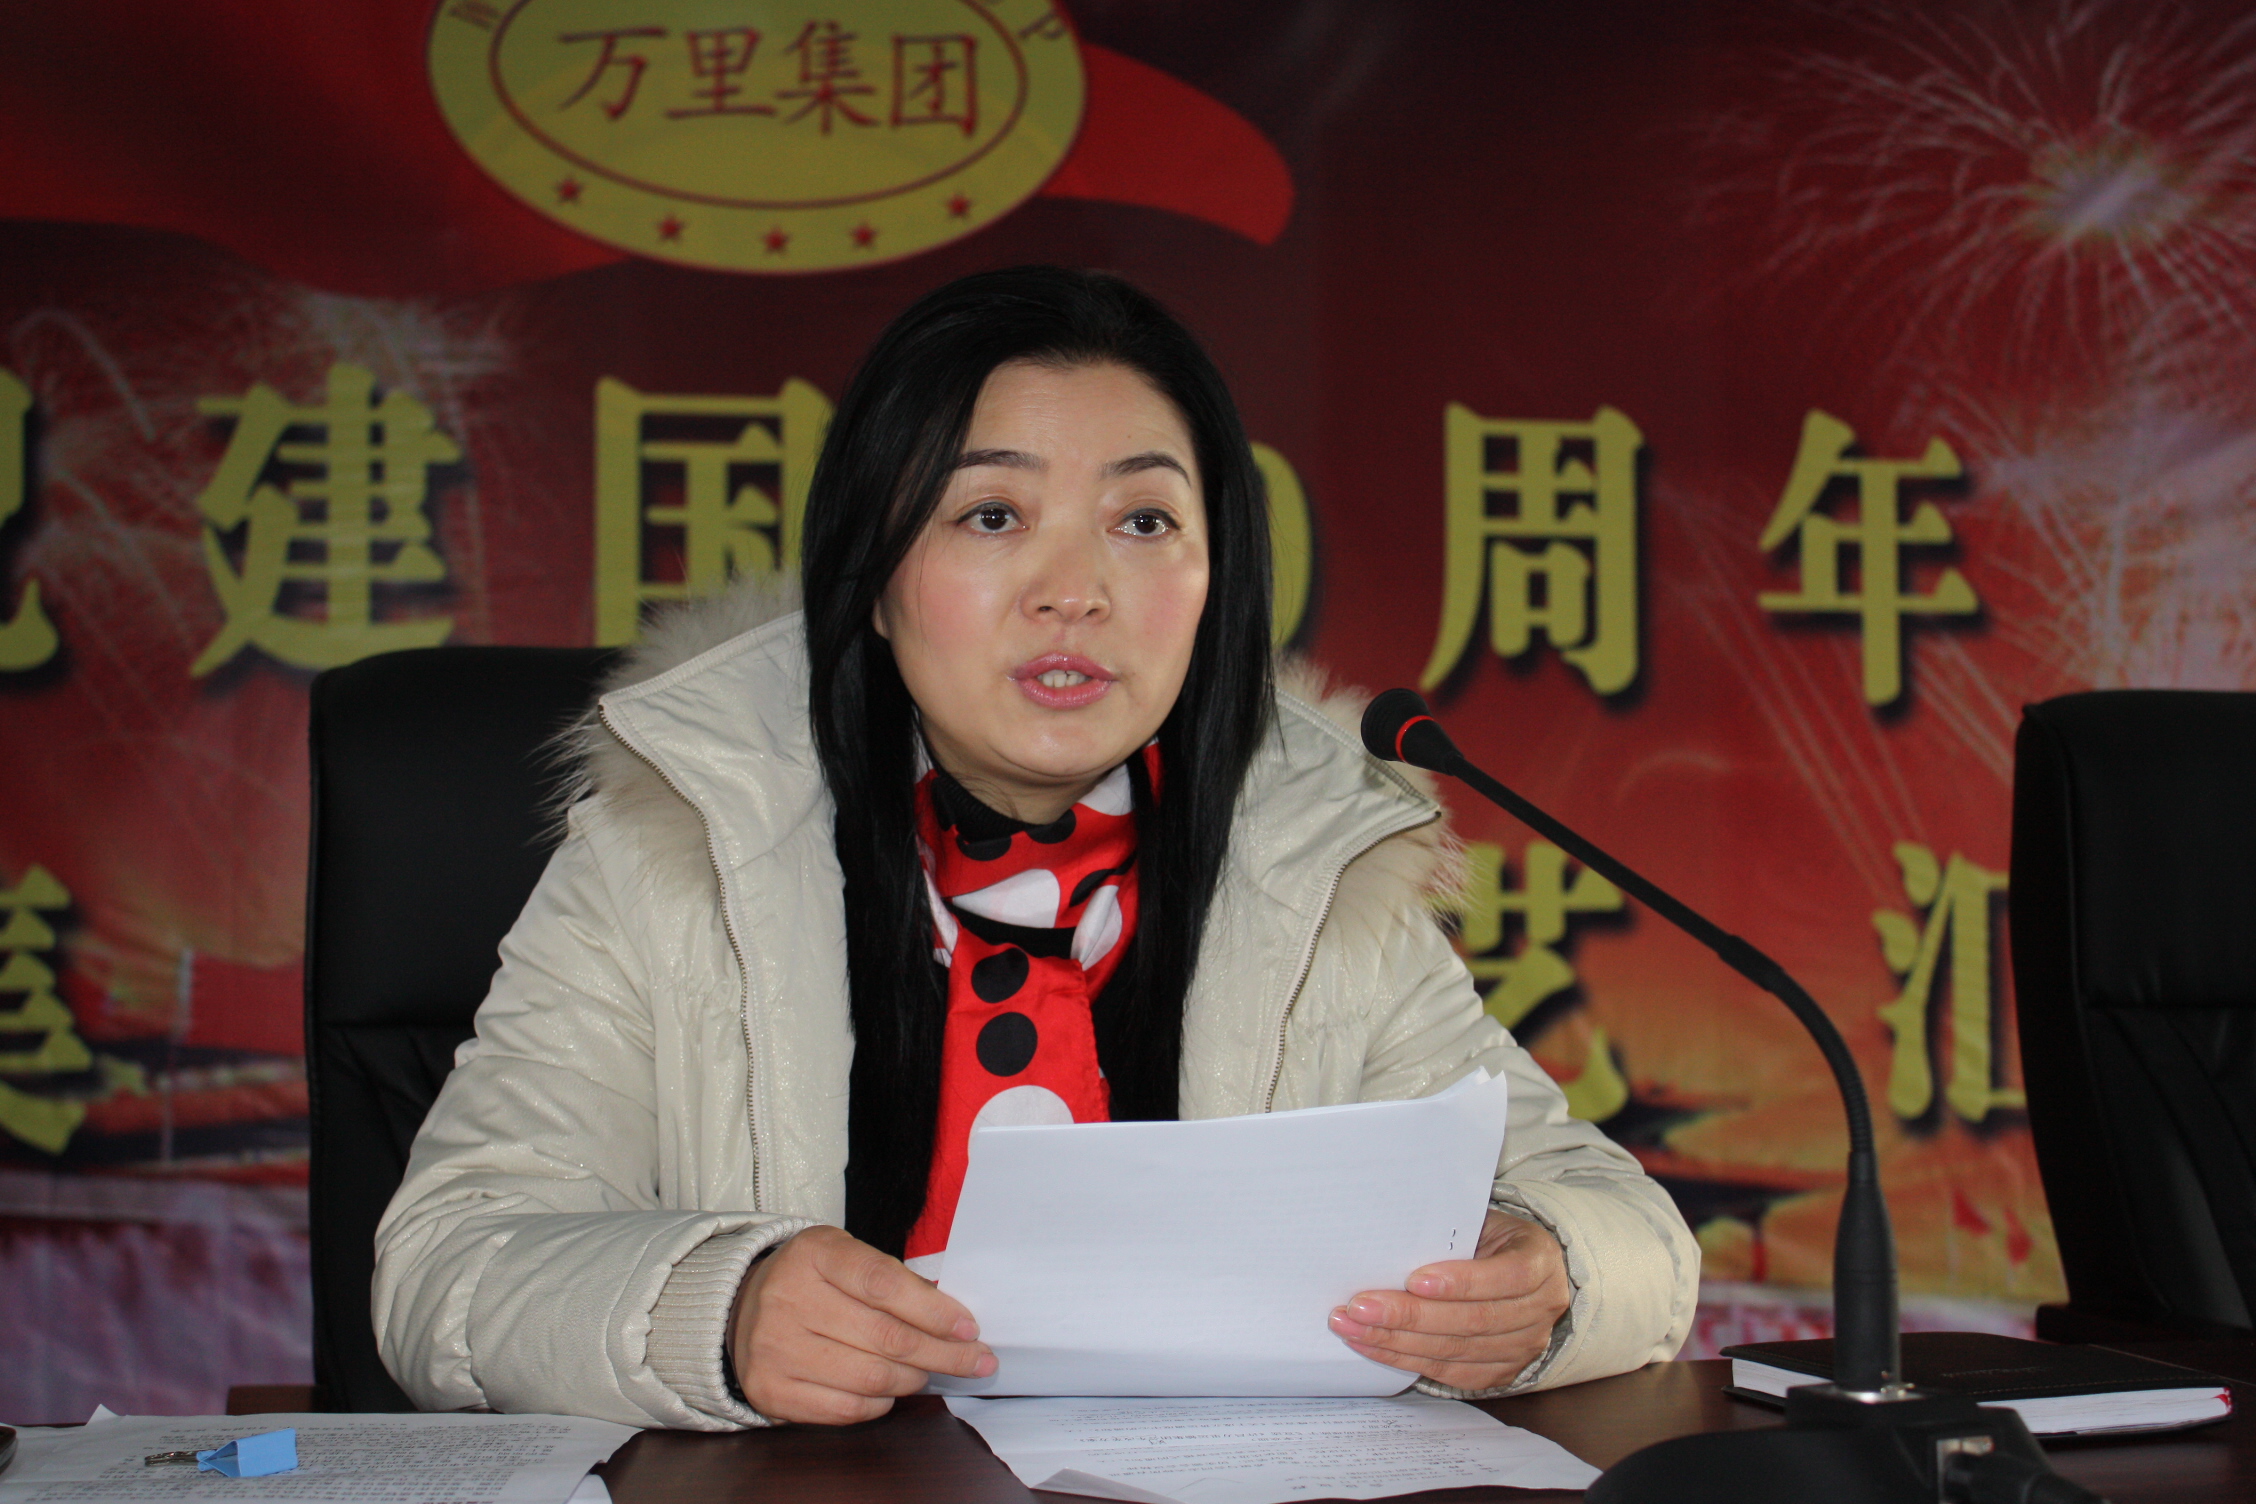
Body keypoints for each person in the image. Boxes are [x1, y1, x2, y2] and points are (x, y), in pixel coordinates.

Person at [373, 266, 1696, 1429]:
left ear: (1217, 578)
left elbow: (1624, 1225)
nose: (1077, 592)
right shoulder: (686, 839)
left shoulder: (1308, 855)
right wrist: (715, 1311)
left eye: (1144, 521)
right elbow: (447, 1266)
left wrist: (1546, 1278)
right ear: (875, 577)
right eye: (993, 516)